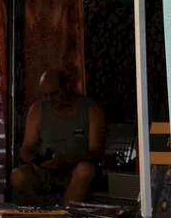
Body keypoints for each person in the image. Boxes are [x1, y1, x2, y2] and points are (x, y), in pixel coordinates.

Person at [11, 69, 106, 206]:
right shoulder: (37, 110)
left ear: (67, 86)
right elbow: (26, 148)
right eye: (45, 95)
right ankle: (40, 217)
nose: (50, 99)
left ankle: (63, 216)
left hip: (74, 172)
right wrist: (39, 160)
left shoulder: (90, 109)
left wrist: (67, 160)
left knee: (86, 170)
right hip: (45, 172)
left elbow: (96, 151)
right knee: (18, 175)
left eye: (54, 94)